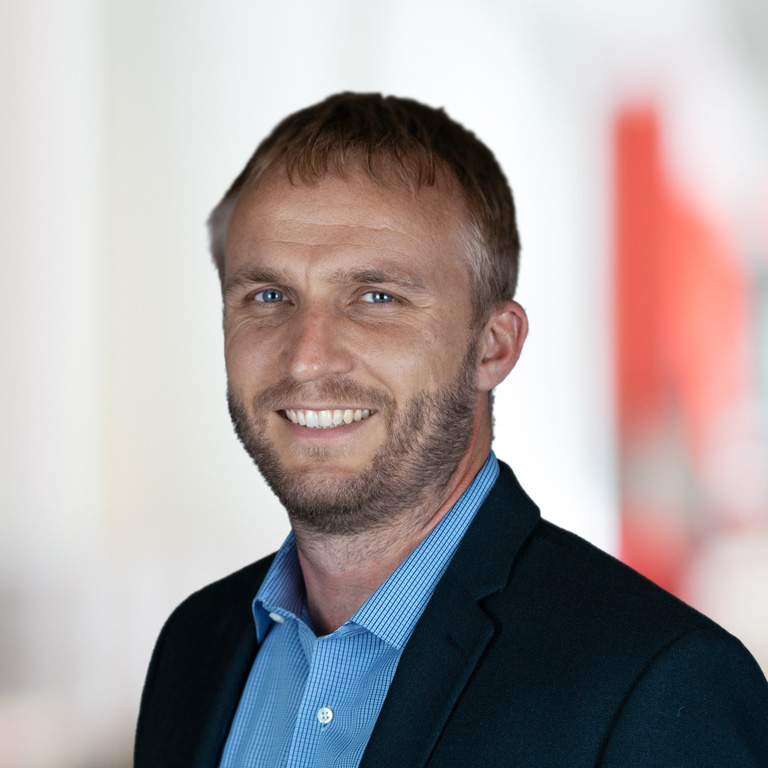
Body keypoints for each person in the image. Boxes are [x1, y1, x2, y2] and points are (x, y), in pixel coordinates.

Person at [134, 93, 768, 768]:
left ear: (495, 345)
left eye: (377, 298)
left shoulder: (661, 686)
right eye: (268, 297)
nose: (306, 359)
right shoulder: (192, 647)